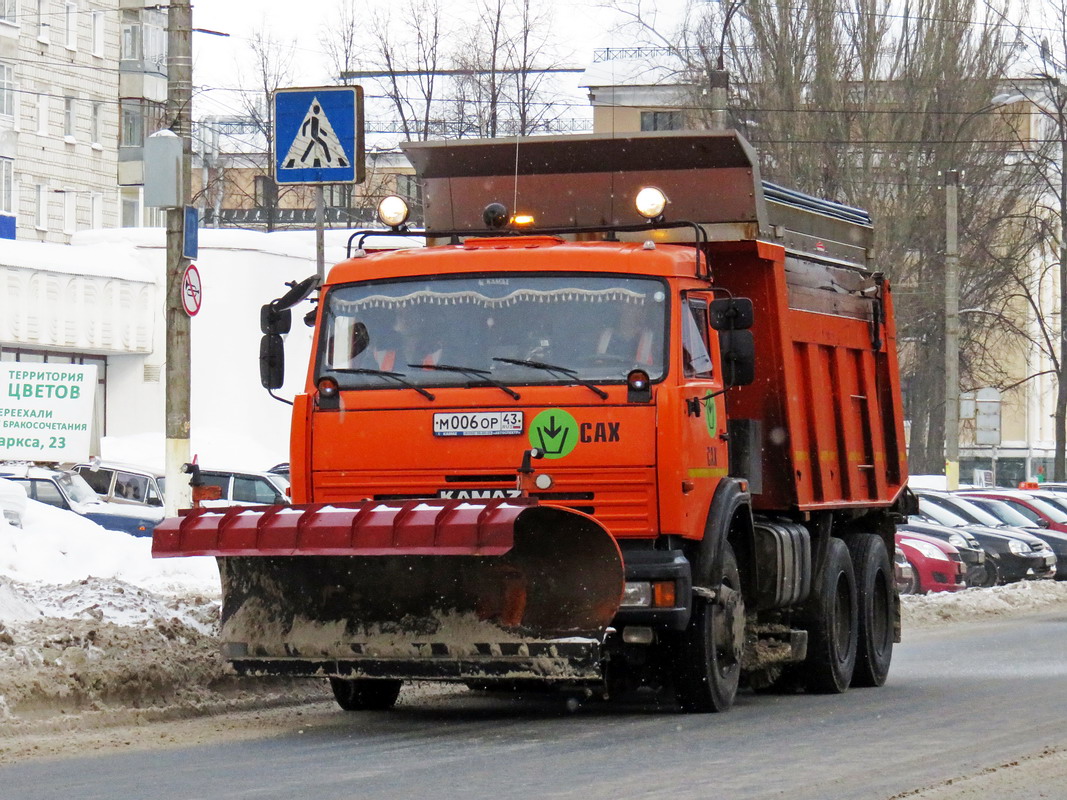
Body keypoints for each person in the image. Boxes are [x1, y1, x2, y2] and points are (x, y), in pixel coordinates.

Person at [595, 301, 657, 365]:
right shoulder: (605, 336)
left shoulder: (651, 338)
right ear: (619, 308)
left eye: (640, 308)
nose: (637, 311)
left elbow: (656, 369)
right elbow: (594, 365)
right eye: (631, 306)